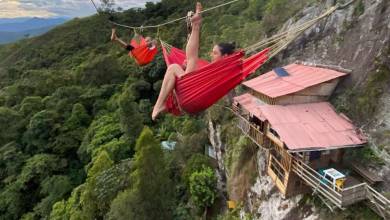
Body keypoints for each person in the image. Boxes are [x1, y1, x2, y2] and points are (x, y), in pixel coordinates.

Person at [151, 2, 236, 120]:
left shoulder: (223, 70)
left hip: (191, 99)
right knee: (187, 64)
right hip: (191, 104)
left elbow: (192, 58)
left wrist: (195, 28)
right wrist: (187, 70)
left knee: (174, 67)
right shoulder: (210, 69)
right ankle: (195, 26)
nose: (211, 54)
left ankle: (159, 105)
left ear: (225, 56)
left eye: (215, 53)